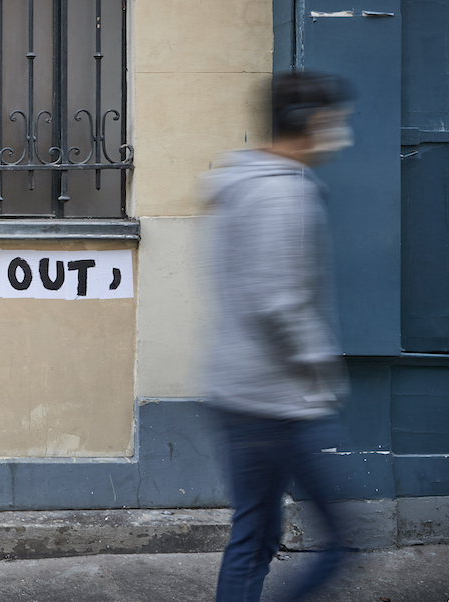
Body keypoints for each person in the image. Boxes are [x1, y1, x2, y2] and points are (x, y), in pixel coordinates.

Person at [203, 71, 355, 602]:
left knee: (254, 534)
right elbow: (278, 303)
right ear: (308, 123)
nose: (341, 135)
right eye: (334, 122)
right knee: (340, 542)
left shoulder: (240, 183)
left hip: (237, 390)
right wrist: (321, 370)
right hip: (278, 400)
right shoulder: (282, 194)